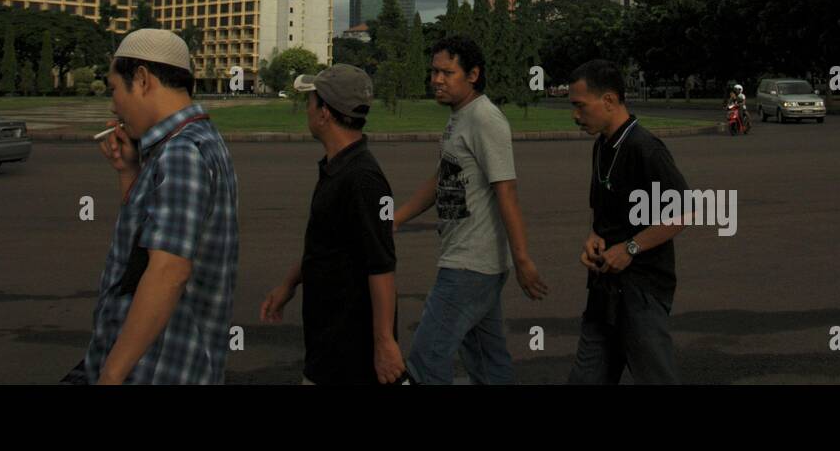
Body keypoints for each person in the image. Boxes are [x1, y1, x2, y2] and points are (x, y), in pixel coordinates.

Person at [71, 29, 239, 384]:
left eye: (115, 89)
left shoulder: (180, 153)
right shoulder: (194, 140)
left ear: (143, 80)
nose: (114, 105)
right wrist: (128, 171)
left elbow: (168, 272)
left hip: (158, 367)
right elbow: (146, 247)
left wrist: (112, 374)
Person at [393, 35, 548, 384]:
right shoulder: (460, 118)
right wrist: (396, 218)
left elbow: (506, 188)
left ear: (473, 74)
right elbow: (441, 179)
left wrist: (523, 260)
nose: (436, 80)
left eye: (447, 73)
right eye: (433, 72)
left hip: (469, 265)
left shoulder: (484, 119)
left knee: (426, 359)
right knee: (487, 364)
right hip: (472, 262)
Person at [259, 64, 406, 384]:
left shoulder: (364, 179)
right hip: (328, 342)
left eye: (310, 101)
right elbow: (324, 242)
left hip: (348, 352)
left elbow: (381, 264)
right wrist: (289, 284)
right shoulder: (337, 167)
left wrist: (384, 343)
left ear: (325, 113)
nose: (306, 109)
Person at [566, 60, 688, 384]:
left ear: (608, 100)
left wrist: (630, 248)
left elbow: (683, 212)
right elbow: (603, 214)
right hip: (604, 288)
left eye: (580, 106)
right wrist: (593, 238)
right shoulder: (602, 146)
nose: (575, 116)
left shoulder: (645, 148)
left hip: (642, 292)